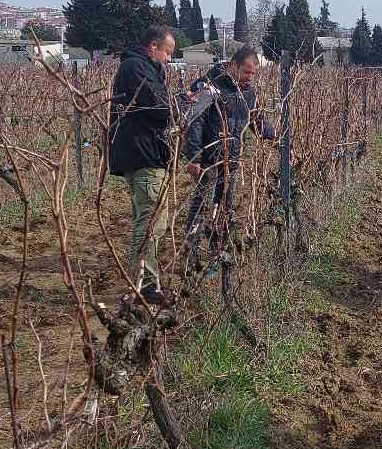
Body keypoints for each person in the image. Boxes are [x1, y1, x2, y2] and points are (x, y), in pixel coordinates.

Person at [182, 45, 273, 269]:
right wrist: (194, 157)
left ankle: (218, 249)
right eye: (246, 72)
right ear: (233, 66)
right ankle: (190, 253)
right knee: (202, 205)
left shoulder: (248, 92)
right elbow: (195, 121)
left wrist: (275, 137)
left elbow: (256, 120)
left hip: (231, 159)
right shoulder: (210, 86)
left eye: (253, 73)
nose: (250, 77)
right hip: (209, 159)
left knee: (224, 204)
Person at [107, 24, 178, 303]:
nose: (169, 60)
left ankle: (145, 282)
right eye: (167, 53)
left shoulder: (144, 68)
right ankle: (143, 286)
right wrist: (180, 107)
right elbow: (159, 107)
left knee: (153, 223)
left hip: (148, 153)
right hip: (143, 155)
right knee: (150, 224)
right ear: (153, 47)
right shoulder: (135, 68)